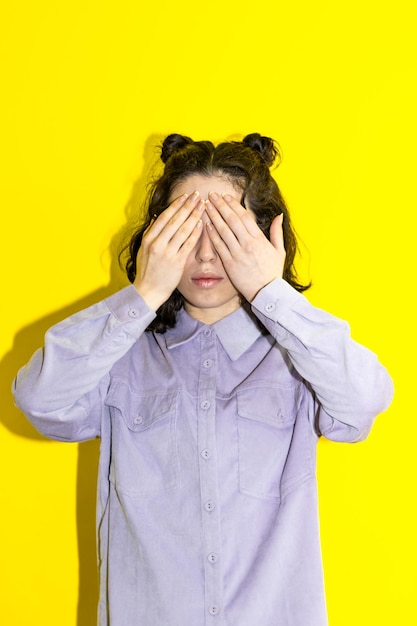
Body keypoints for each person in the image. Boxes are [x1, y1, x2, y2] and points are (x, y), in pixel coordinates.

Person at [12, 133, 393, 626]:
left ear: (266, 238)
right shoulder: (117, 358)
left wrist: (270, 291)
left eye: (228, 230)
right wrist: (143, 293)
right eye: (186, 229)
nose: (207, 254)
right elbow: (39, 399)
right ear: (156, 236)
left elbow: (363, 403)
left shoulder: (299, 358)